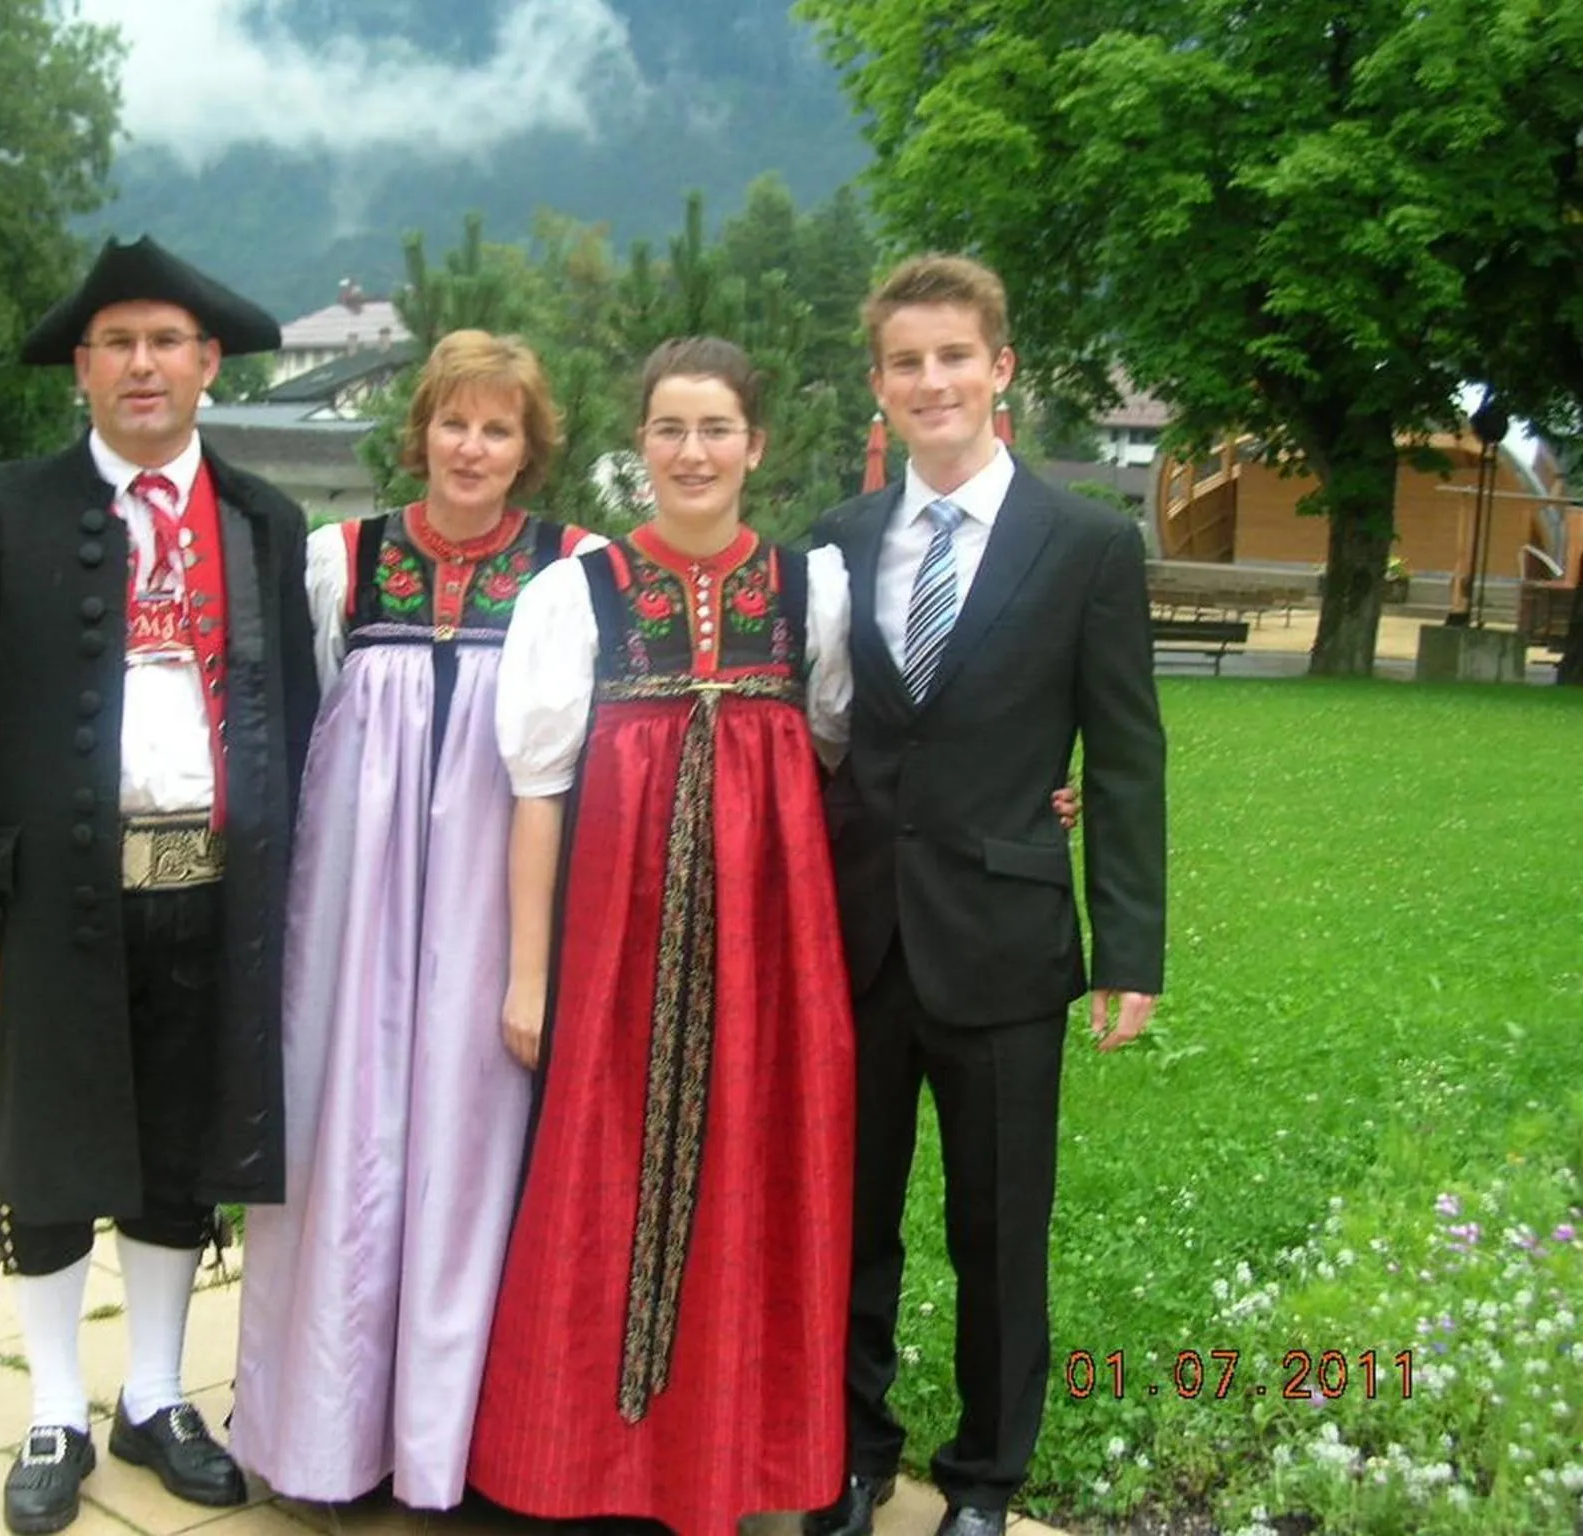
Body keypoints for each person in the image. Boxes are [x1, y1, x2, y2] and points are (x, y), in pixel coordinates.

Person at [0, 234, 317, 1536]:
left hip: (212, 891)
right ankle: (53, 1410)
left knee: (178, 1150)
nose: (144, 365)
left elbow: (298, 718)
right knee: (46, 1151)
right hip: (43, 900)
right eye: (119, 343)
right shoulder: (3, 511)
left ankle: (153, 1395)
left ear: (208, 363)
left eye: (166, 343)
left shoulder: (265, 522)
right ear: (82, 367)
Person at [466, 337, 857, 1536]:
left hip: (765, 956)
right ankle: (585, 1464)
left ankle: (736, 1463)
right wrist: (529, 975)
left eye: (715, 429)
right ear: (638, 444)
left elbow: (830, 753)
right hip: (615, 948)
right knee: (598, 1178)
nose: (693, 453)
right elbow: (537, 790)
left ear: (755, 446)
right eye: (669, 429)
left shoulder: (809, 591)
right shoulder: (573, 594)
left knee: (754, 1176)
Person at [806, 255, 1167, 1536]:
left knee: (998, 1232)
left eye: (953, 355)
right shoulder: (836, 543)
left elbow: (1122, 755)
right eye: (905, 362)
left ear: (998, 368)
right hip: (854, 940)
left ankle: (982, 1480)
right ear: (878, 384)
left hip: (1005, 942)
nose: (932, 381)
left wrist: (1128, 948)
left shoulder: (1086, 546)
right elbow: (810, 733)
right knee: (847, 1224)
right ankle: (848, 1453)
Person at [230, 331, 599, 1507]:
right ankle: (323, 1436)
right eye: (453, 422)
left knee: (468, 1139)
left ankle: (456, 1448)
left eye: (497, 429)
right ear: (420, 431)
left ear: (527, 449)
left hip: (496, 893)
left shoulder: (570, 571)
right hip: (353, 897)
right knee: (340, 1132)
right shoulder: (343, 561)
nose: (471, 448)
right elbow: (289, 724)